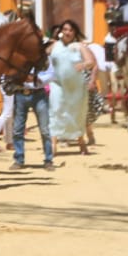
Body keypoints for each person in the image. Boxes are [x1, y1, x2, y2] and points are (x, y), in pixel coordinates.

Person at [48, 20, 92, 156]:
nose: (67, 32)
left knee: (76, 114)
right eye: (65, 29)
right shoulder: (54, 45)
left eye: (70, 30)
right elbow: (41, 56)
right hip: (57, 85)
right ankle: (53, 145)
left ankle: (81, 142)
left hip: (76, 87)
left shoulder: (80, 46)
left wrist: (83, 65)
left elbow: (91, 61)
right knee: (55, 111)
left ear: (75, 32)